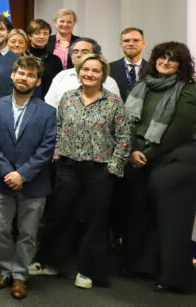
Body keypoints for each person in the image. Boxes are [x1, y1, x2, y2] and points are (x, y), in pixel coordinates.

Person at [29, 53, 130, 289]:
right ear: (78, 71)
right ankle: (50, 262)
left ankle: (88, 270)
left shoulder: (114, 102)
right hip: (68, 165)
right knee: (59, 214)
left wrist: (113, 167)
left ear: (103, 75)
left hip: (99, 168)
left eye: (95, 71)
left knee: (95, 221)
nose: (89, 74)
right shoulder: (68, 98)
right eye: (85, 69)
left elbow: (124, 138)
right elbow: (59, 127)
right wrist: (56, 155)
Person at [123, 41, 196, 294]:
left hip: (177, 161)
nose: (166, 62)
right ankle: (143, 266)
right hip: (142, 159)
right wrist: (131, 151)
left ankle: (174, 278)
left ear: (182, 64)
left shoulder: (191, 93)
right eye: (161, 57)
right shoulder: (141, 87)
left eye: (173, 59)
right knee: (141, 216)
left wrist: (143, 155)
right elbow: (129, 124)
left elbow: (176, 132)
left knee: (173, 222)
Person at [0, 56, 56, 300]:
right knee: (1, 230)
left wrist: (22, 174)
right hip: (0, 181)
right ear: (12, 75)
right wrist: (8, 172)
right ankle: (5, 270)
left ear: (37, 82)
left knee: (28, 233)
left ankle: (20, 276)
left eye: (30, 75)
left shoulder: (47, 112)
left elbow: (47, 148)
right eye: (21, 73)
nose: (24, 78)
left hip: (33, 183)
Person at [43, 39, 120, 109]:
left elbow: (116, 109)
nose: (79, 55)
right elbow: (49, 106)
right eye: (75, 52)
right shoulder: (61, 76)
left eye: (84, 51)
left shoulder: (109, 82)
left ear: (95, 55)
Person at [25, 19, 63, 93]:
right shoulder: (22, 57)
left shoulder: (55, 60)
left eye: (45, 33)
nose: (42, 36)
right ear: (29, 36)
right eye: (37, 33)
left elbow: (59, 85)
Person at [109, 27, 147, 100]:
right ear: (121, 44)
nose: (131, 44)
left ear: (143, 43)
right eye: (126, 41)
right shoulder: (108, 69)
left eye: (136, 40)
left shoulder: (153, 69)